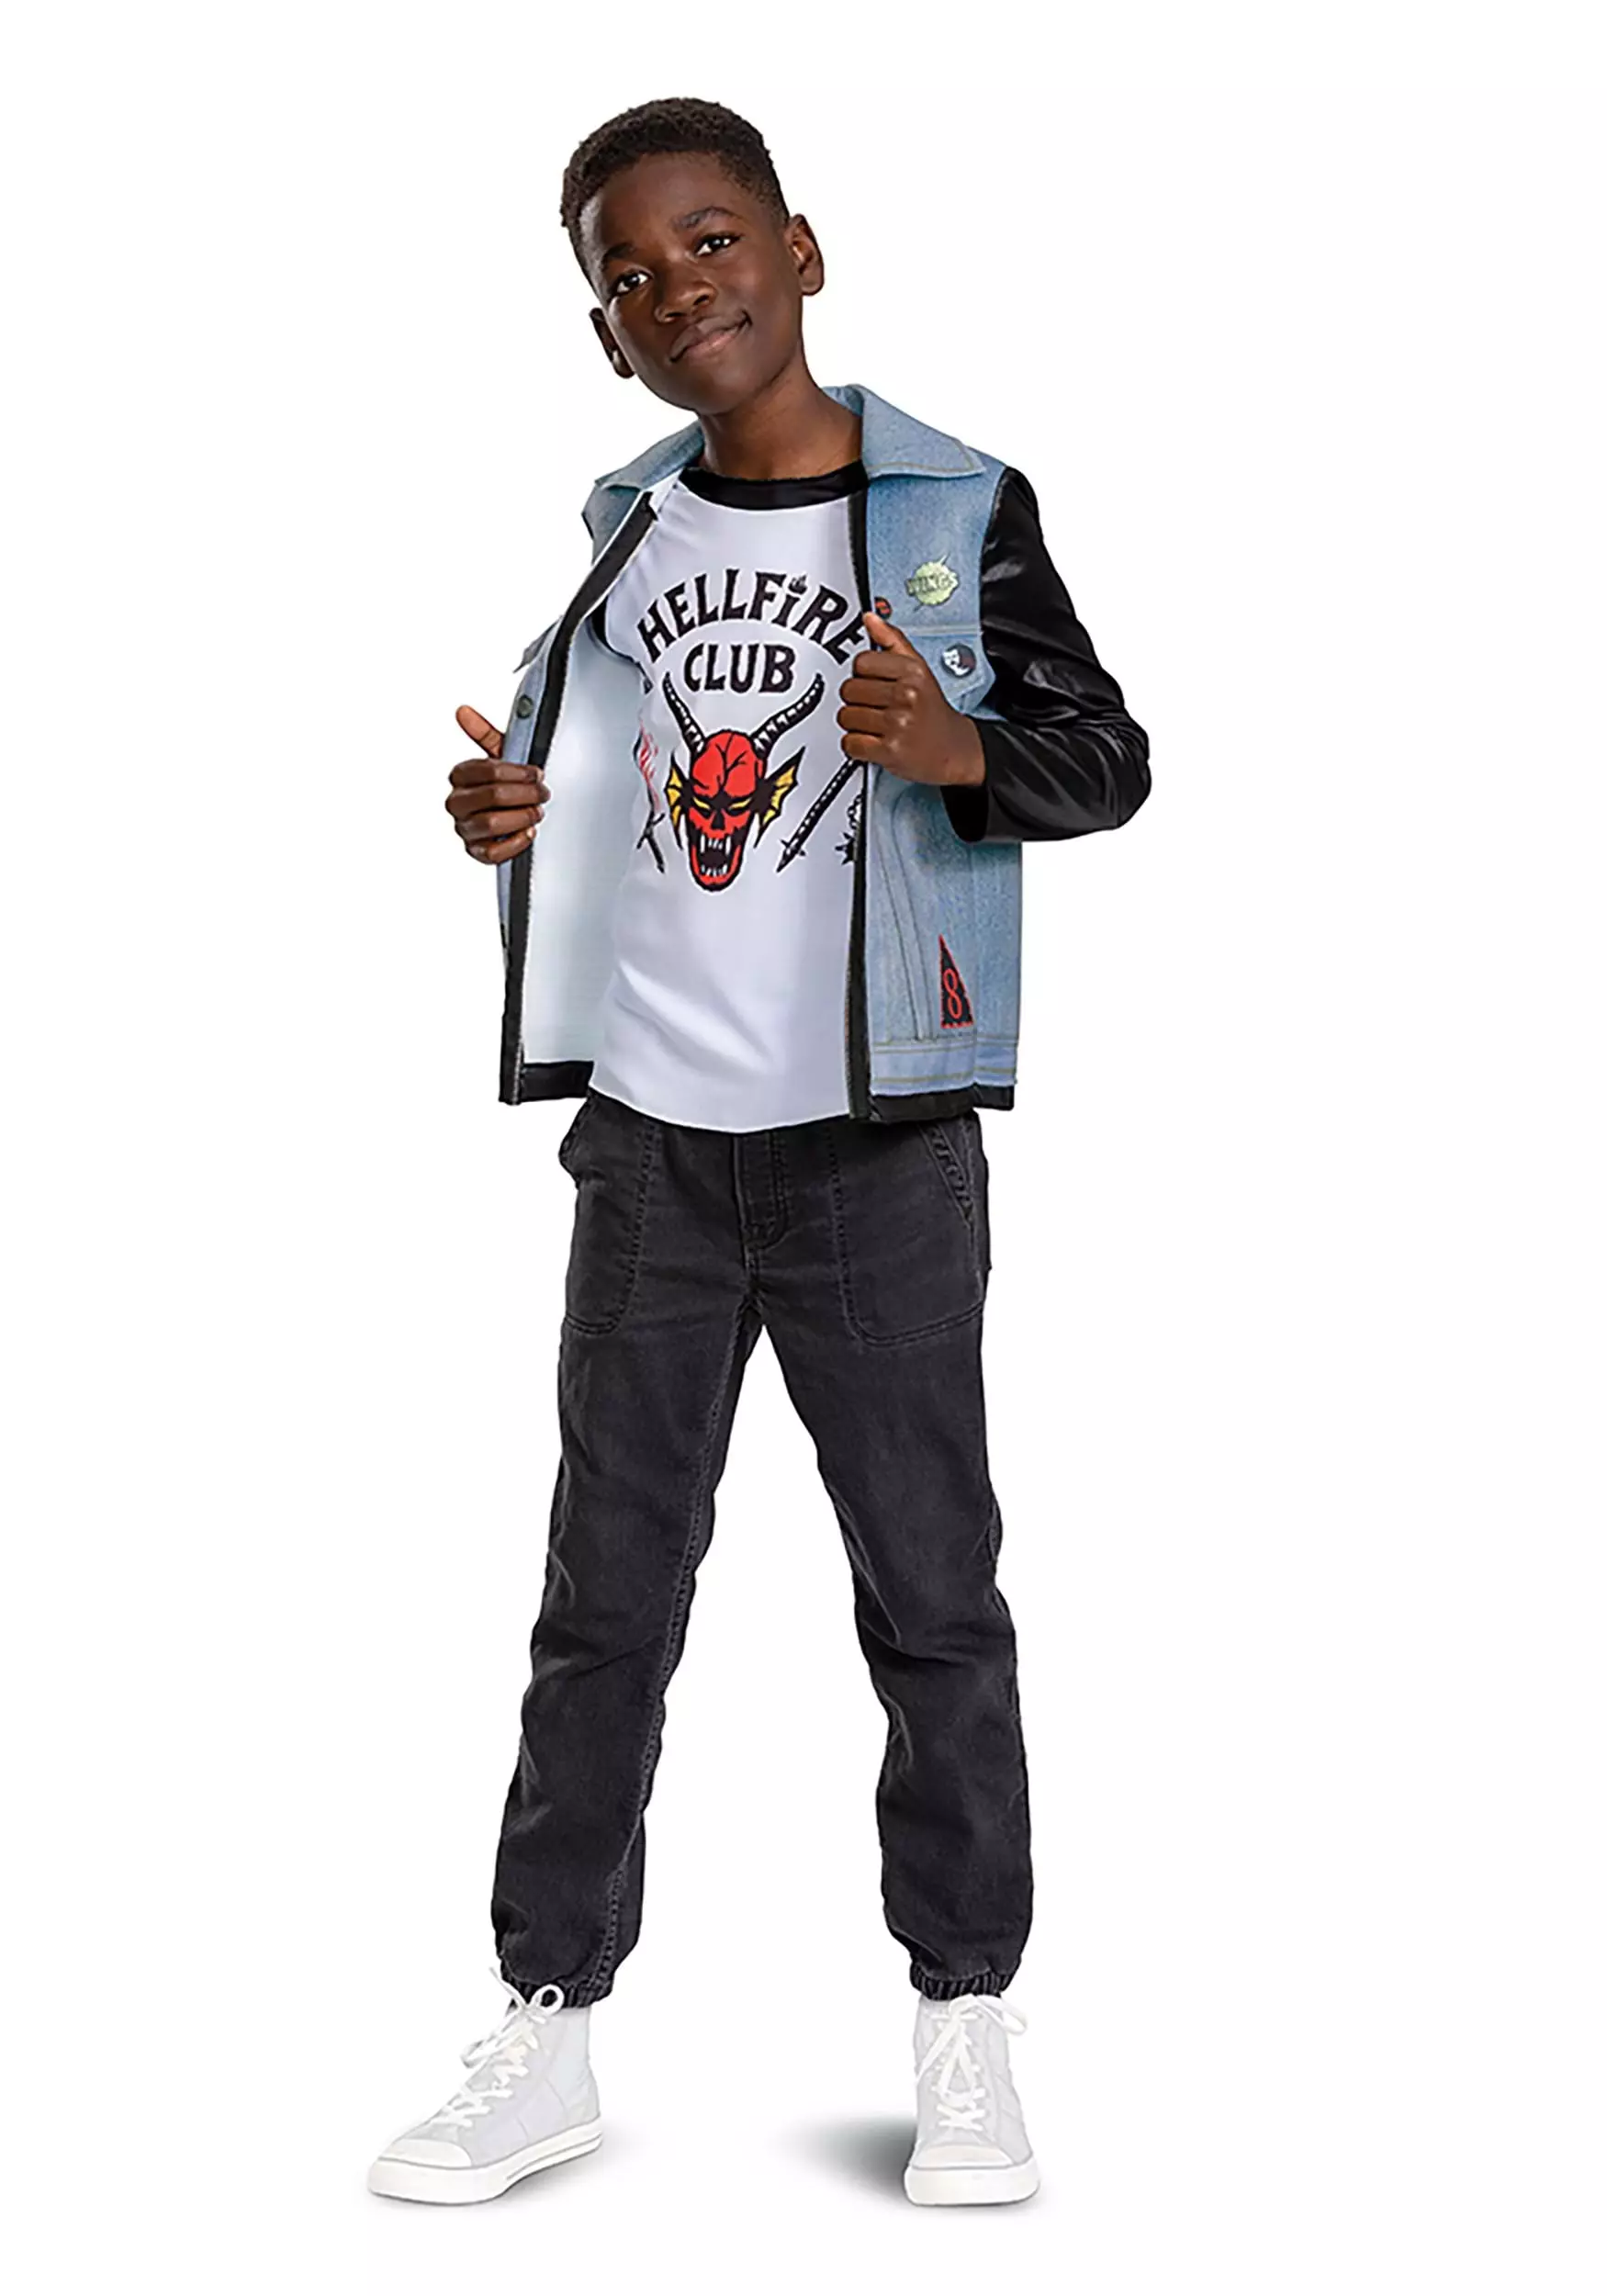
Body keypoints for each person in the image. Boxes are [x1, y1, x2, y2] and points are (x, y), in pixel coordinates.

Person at [368, 95, 1150, 2212]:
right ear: (604, 333)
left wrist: (962, 748)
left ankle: (964, 2017)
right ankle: (544, 2021)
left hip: (873, 1154)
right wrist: (515, 823)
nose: (675, 287)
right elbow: (606, 780)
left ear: (798, 250)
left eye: (707, 240)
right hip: (649, 1149)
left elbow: (1102, 757)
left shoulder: (949, 508)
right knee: (601, 1600)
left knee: (931, 1596)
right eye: (626, 275)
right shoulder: (626, 529)